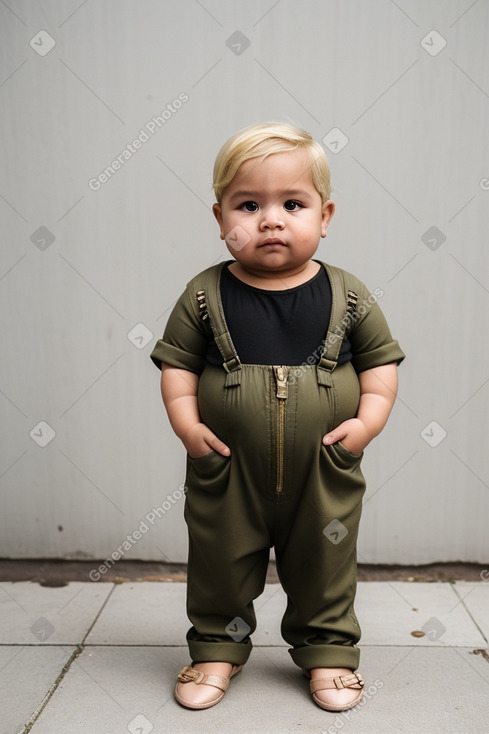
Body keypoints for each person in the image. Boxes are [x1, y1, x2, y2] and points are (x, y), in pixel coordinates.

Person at [150, 122, 405, 712]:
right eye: (249, 204)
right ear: (220, 220)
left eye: (292, 203)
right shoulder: (204, 295)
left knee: (325, 557)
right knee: (219, 557)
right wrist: (188, 427)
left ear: (326, 214)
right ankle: (216, 645)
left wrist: (366, 424)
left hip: (324, 468)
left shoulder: (350, 294)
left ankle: (329, 653)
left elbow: (381, 368)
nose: (271, 219)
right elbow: (178, 370)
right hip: (227, 468)